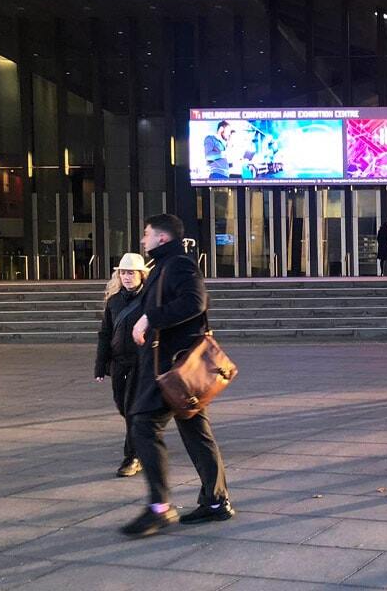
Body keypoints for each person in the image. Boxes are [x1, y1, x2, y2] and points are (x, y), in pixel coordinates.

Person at [122, 213, 233, 538]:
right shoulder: (164, 266)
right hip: (174, 366)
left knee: (144, 424)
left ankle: (160, 507)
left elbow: (195, 302)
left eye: (147, 234)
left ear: (163, 238)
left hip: (173, 367)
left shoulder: (179, 265)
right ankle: (216, 502)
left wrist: (148, 319)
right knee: (195, 429)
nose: (143, 240)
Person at [94, 253, 149, 478]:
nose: (126, 277)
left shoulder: (150, 299)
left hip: (141, 363)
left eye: (131, 272)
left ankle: (132, 457)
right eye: (123, 272)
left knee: (133, 408)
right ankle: (145, 439)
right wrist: (100, 366)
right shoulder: (114, 301)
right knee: (123, 407)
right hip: (118, 362)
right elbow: (105, 333)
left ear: (141, 275)